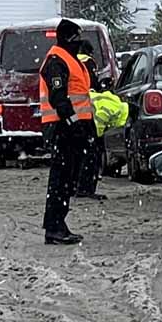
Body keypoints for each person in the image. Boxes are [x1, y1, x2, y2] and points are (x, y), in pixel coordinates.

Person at [39, 18, 95, 245]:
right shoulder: (57, 61)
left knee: (67, 178)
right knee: (61, 179)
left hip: (72, 127)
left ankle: (57, 225)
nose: (79, 43)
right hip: (63, 127)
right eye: (76, 38)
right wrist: (73, 121)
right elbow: (58, 97)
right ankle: (54, 227)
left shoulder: (69, 59)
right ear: (69, 39)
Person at [74, 41, 106, 201]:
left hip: (72, 115)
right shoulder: (88, 63)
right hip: (87, 112)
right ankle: (86, 188)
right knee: (92, 152)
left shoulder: (71, 61)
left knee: (76, 153)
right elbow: (93, 86)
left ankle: (75, 186)